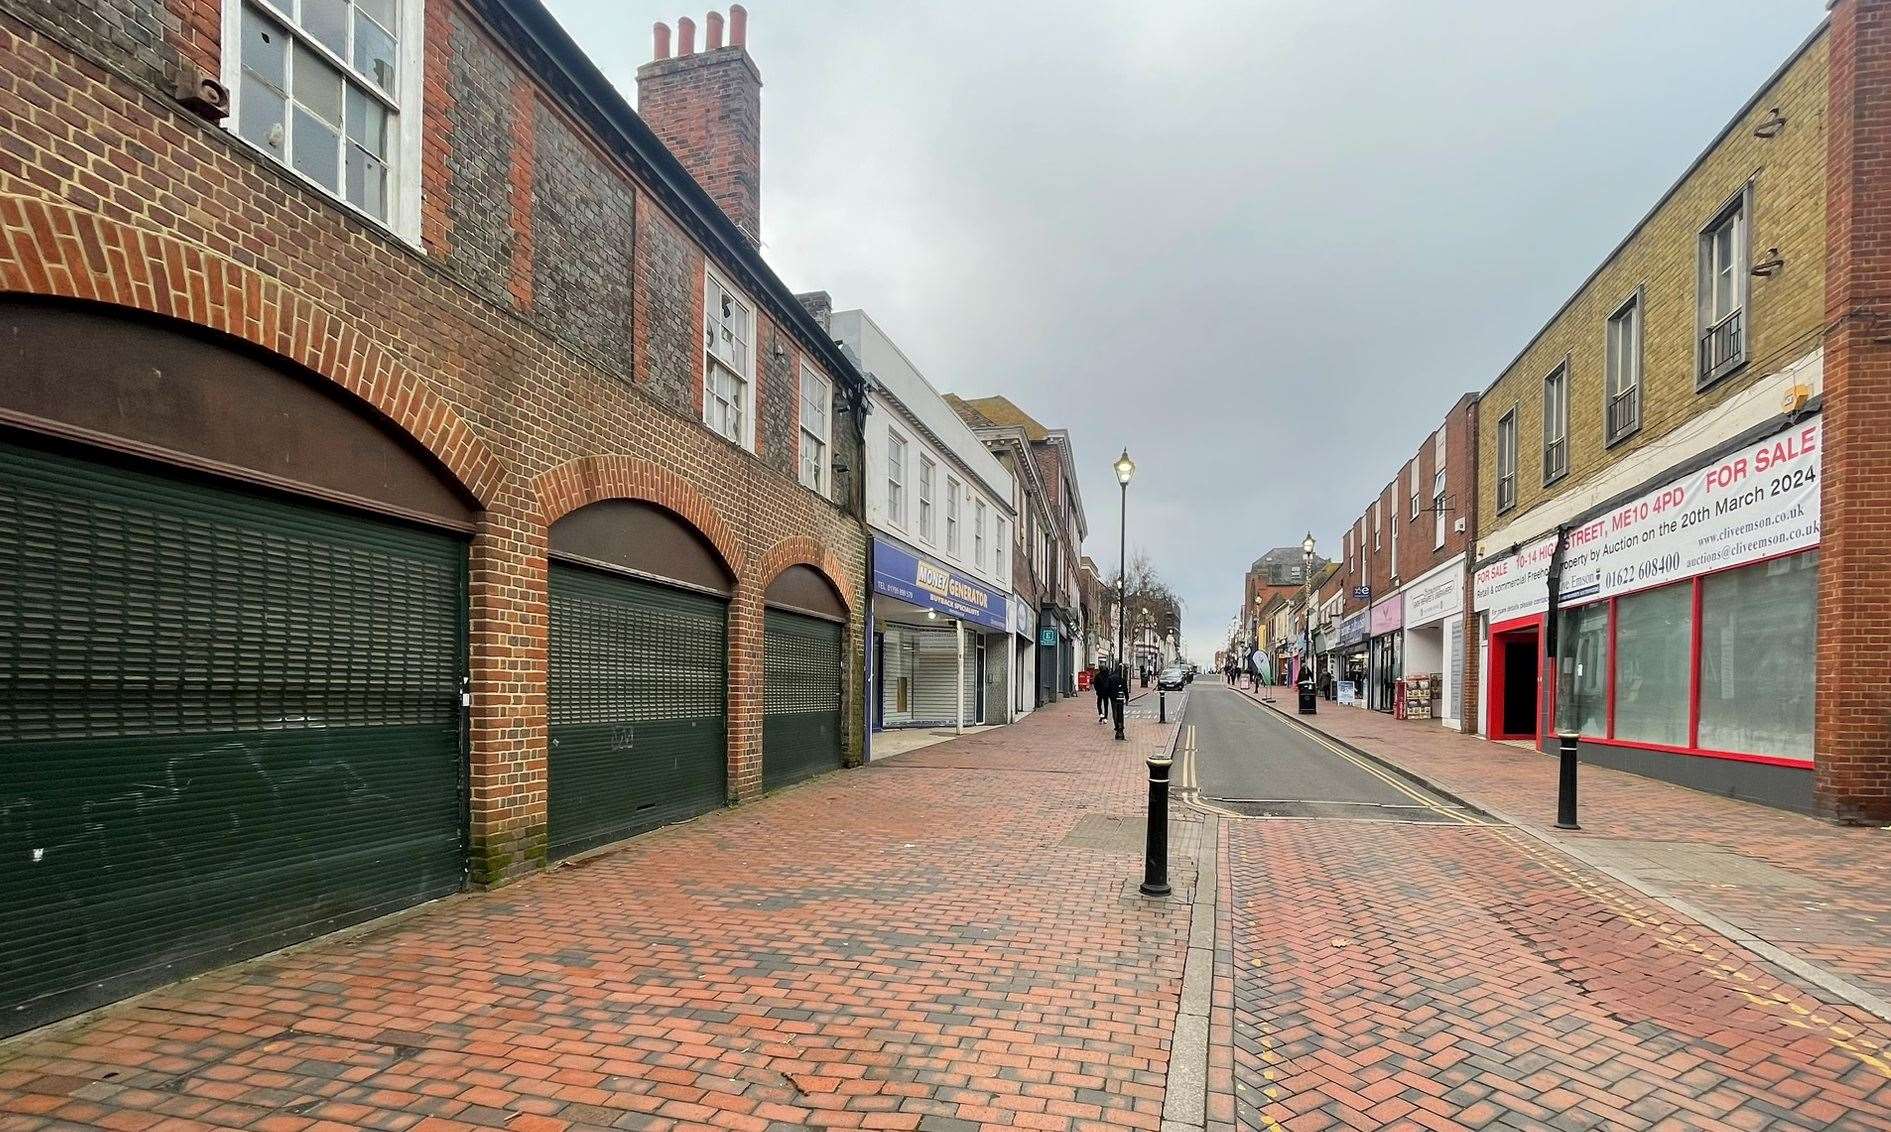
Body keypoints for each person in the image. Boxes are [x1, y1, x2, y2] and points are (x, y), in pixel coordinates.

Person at [1095, 658, 1113, 723]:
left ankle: (1101, 714)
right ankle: (1105, 717)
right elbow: (1110, 684)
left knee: (1099, 703)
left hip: (1100, 692)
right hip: (1107, 692)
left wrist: (1097, 690)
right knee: (1106, 705)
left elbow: (1095, 684)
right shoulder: (1108, 675)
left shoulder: (1097, 675)